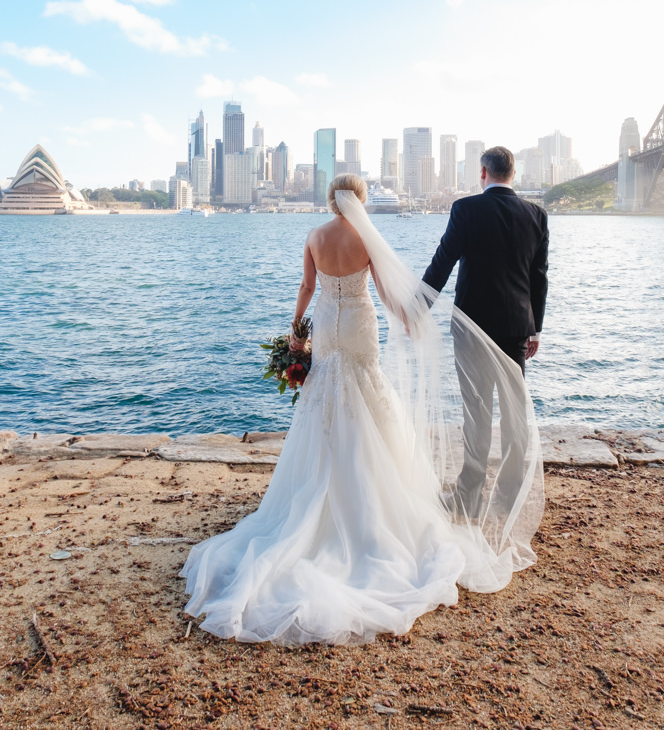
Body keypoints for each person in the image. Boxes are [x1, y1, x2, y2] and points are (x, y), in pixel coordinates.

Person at [181, 174, 542, 645]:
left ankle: (320, 489)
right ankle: (375, 492)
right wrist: (409, 318)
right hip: (360, 322)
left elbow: (308, 287)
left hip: (329, 324)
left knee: (327, 394)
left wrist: (297, 332)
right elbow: (386, 290)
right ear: (362, 199)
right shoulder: (366, 236)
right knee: (368, 389)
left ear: (331, 199)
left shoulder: (315, 236)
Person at [421, 146, 548, 520]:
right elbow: (539, 279)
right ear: (513, 174)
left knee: (476, 412)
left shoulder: (466, 209)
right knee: (514, 415)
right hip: (516, 329)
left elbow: (442, 262)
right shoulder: (536, 215)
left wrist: (416, 309)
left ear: (483, 173)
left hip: (471, 326)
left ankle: (468, 499)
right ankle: (509, 498)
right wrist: (535, 327)